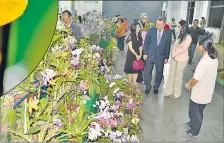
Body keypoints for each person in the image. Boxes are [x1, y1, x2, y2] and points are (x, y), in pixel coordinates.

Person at [182, 32, 218, 138]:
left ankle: (194, 131)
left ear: (202, 46)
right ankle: (192, 123)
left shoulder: (205, 61)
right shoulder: (212, 57)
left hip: (200, 92)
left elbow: (196, 79)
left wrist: (189, 85)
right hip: (205, 90)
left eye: (198, 44)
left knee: (196, 112)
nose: (197, 45)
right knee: (196, 110)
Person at [143, 17, 172, 94]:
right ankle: (148, 87)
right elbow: (146, 42)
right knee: (147, 71)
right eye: (157, 25)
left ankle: (156, 87)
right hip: (150, 55)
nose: (158, 27)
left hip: (161, 56)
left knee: (159, 72)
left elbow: (168, 46)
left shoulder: (168, 33)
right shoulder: (151, 30)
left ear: (164, 25)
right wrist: (145, 53)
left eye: (160, 25)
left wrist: (166, 57)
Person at [165, 20, 192, 98]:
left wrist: (174, 54)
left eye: (179, 26)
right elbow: (175, 45)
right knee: (171, 75)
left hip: (182, 59)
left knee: (178, 77)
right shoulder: (180, 35)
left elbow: (183, 48)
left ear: (183, 27)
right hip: (174, 58)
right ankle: (169, 92)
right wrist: (172, 54)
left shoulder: (188, 37)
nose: (178, 28)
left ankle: (176, 94)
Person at [124, 22, 143, 87]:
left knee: (136, 69)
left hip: (137, 55)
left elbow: (140, 46)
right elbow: (130, 48)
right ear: (133, 28)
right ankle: (130, 84)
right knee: (130, 69)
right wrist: (136, 55)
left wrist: (140, 54)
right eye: (137, 27)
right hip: (131, 55)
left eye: (139, 27)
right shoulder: (130, 36)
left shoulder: (140, 36)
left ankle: (134, 83)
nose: (138, 28)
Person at [136, 13, 148, 84]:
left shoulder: (145, 24)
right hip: (139, 47)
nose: (146, 20)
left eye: (147, 19)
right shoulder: (138, 24)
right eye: (145, 19)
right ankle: (139, 79)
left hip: (143, 47)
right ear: (141, 18)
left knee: (143, 63)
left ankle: (139, 77)